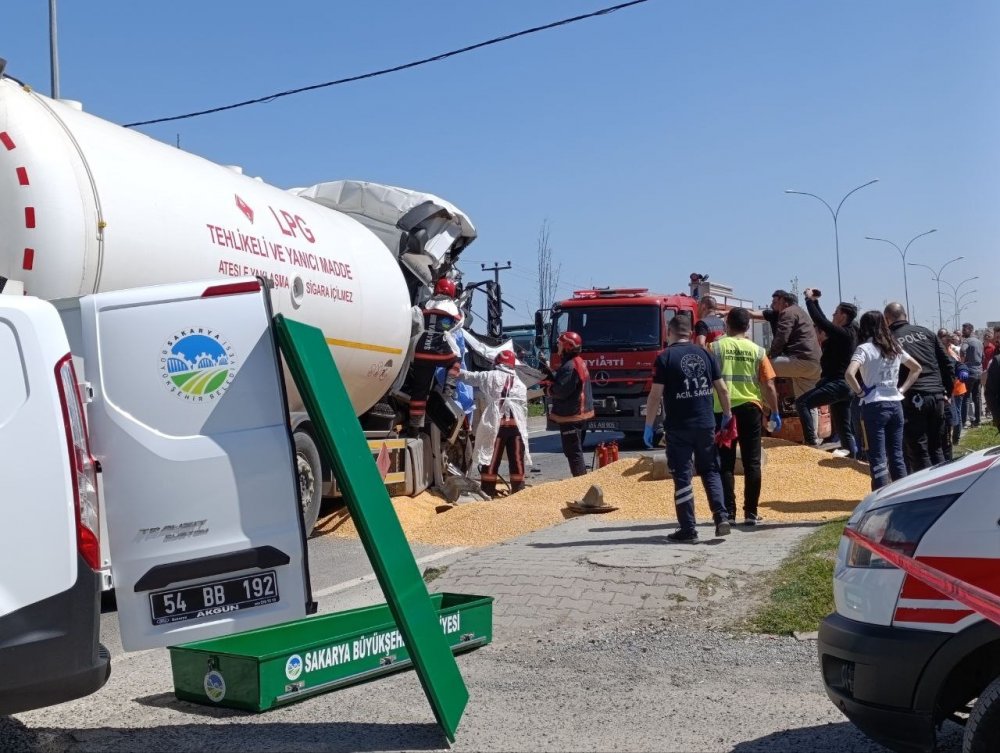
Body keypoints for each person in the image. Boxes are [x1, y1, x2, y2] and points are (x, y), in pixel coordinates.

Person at [643, 314, 732, 542]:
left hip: (678, 427)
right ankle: (721, 517)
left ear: (669, 332)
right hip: (706, 424)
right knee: (710, 470)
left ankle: (688, 529)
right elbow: (722, 389)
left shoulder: (664, 358)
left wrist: (649, 426)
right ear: (691, 333)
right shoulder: (706, 354)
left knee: (683, 476)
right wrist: (727, 416)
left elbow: (655, 396)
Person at [709, 307, 781, 526]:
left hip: (723, 410)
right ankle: (750, 512)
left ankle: (728, 513)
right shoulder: (758, 351)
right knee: (752, 462)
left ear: (727, 325)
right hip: (751, 408)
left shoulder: (714, 347)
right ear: (747, 326)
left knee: (726, 463)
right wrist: (775, 411)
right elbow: (768, 384)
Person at [846, 311, 922, 490]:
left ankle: (881, 495)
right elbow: (916, 368)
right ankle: (902, 492)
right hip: (896, 404)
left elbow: (849, 374)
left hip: (874, 405)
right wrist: (902, 389)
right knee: (897, 454)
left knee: (877, 455)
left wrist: (860, 392)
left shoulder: (864, 349)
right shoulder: (894, 347)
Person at [883, 303, 954, 471]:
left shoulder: (889, 338)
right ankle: (944, 485)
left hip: (912, 397)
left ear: (887, 319)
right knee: (937, 447)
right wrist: (946, 392)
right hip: (937, 396)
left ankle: (926, 490)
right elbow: (947, 364)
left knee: (918, 449)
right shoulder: (926, 332)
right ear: (905, 315)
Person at [452, 350, 531, 498]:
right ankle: (519, 492)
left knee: (490, 459)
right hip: (517, 428)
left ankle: (488, 492)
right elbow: (523, 408)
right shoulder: (521, 383)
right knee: (517, 460)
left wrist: (454, 369)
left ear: (497, 363)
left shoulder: (490, 376)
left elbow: (470, 377)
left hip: (497, 427)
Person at [797, 290, 859, 453]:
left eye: (836, 312)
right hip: (844, 387)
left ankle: (811, 442)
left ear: (843, 316)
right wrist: (815, 302)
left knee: (802, 403)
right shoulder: (846, 333)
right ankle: (852, 459)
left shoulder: (844, 333)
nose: (833, 314)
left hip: (838, 384)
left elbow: (821, 321)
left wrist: (808, 300)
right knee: (843, 428)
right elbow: (823, 321)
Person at [405, 277, 462, 435]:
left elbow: (414, 318)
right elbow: (459, 322)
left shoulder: (425, 305)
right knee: (456, 360)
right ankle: (449, 385)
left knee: (419, 391)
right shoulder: (452, 308)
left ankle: (415, 426)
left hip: (421, 353)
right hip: (440, 352)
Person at [546, 330, 594, 477]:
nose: (558, 347)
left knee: (573, 452)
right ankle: (582, 481)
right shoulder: (575, 362)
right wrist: (551, 374)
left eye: (560, 345)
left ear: (567, 347)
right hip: (577, 413)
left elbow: (562, 390)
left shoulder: (570, 366)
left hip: (572, 415)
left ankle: (581, 483)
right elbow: (568, 382)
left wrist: (549, 390)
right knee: (574, 450)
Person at [764, 289, 822, 404]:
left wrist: (770, 355)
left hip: (800, 361)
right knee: (806, 403)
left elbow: (781, 337)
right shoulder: (802, 313)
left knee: (761, 367)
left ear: (785, 302)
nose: (774, 306)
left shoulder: (788, 312)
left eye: (777, 302)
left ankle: (767, 407)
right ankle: (811, 422)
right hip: (815, 364)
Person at [960, 323, 984, 428]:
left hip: (969, 372)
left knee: (965, 397)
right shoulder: (979, 342)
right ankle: (977, 421)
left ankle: (963, 421)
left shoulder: (967, 341)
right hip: (979, 372)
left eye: (964, 330)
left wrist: (962, 362)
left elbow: (962, 350)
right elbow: (982, 357)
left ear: (970, 330)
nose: (962, 332)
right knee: (977, 397)